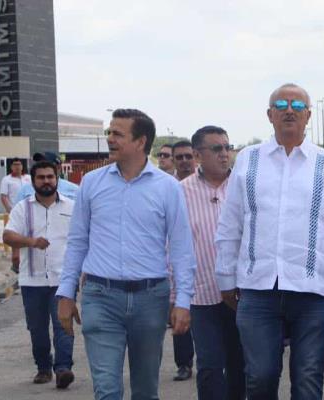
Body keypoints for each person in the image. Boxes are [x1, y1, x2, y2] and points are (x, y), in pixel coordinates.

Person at [215, 83, 324, 399]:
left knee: (308, 380)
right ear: (269, 115)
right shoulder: (248, 161)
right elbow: (231, 224)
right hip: (257, 290)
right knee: (260, 377)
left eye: (297, 105)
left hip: (312, 291)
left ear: (309, 115)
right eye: (281, 103)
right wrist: (226, 277)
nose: (289, 110)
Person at [56, 108, 197, 400]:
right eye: (109, 132)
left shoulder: (167, 188)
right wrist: (66, 293)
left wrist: (183, 300)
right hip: (100, 296)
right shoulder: (92, 184)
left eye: (117, 133)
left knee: (145, 391)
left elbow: (182, 248)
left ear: (140, 141)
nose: (109, 138)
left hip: (150, 298)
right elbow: (77, 242)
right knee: (106, 390)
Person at [181, 126, 245, 399]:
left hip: (242, 292)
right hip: (202, 295)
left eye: (227, 147)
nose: (224, 154)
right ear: (198, 154)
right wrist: (176, 296)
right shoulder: (180, 192)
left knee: (240, 363)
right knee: (209, 365)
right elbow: (172, 246)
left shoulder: (244, 184)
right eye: (216, 148)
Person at [2, 160, 76, 389]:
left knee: (63, 324)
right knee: (37, 328)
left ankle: (63, 369)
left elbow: (83, 240)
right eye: (41, 177)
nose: (46, 181)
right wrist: (31, 241)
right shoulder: (22, 208)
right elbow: (8, 236)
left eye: (50, 177)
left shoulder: (72, 207)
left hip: (63, 279)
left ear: (57, 179)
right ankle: (44, 368)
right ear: (33, 181)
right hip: (32, 280)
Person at [171, 138, 197, 382]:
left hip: (205, 261)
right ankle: (184, 363)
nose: (184, 161)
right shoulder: (167, 187)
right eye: (179, 157)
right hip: (175, 264)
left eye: (188, 156)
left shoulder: (207, 185)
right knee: (180, 311)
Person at [0, 158, 31, 272]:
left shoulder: (28, 178)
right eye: (15, 165)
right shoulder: (7, 180)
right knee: (15, 240)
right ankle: (16, 264)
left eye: (19, 165)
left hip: (30, 212)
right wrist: (10, 210)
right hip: (16, 214)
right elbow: (3, 197)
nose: (17, 167)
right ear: (11, 167)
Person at [14, 152, 79, 204]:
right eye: (39, 164)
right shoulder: (25, 191)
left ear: (58, 168)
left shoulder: (74, 190)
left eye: (46, 165)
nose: (42, 168)